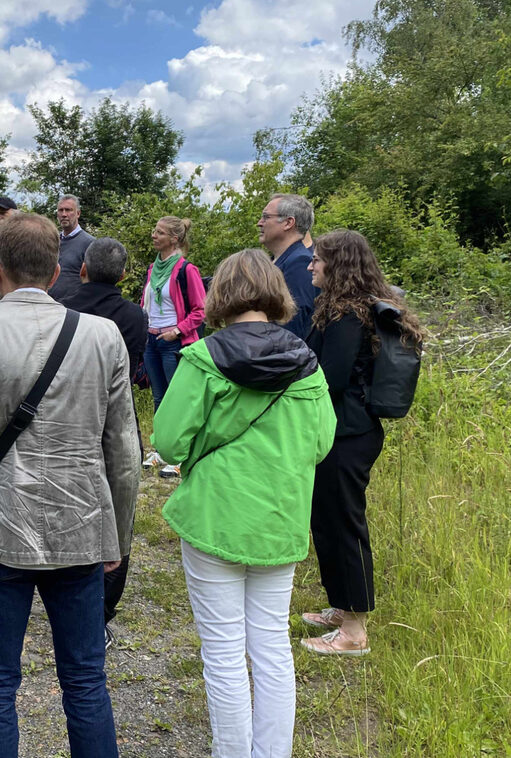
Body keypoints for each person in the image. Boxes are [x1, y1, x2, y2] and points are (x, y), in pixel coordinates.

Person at [0, 212, 140, 758]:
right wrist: (122, 539)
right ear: (59, 270)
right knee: (86, 681)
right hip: (82, 527)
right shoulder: (103, 335)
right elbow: (125, 454)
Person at [152, 248, 335, 758]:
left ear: (220, 296)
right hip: (280, 518)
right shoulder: (307, 363)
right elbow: (322, 443)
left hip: (214, 515)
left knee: (224, 652)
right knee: (272, 646)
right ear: (277, 292)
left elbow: (167, 442)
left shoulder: (202, 359)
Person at [300, 230, 426, 656]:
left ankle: (354, 633)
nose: (311, 265)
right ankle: (342, 606)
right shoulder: (340, 310)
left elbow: (328, 378)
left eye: (317, 259)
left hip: (348, 433)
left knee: (344, 525)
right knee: (327, 520)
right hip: (342, 431)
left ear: (338, 265)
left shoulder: (348, 316)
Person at [60, 236, 148, 647]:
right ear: (125, 276)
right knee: (117, 507)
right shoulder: (135, 317)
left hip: (68, 417)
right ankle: (101, 613)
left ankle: (63, 588)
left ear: (82, 269)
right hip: (117, 415)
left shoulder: (63, 309)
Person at [141, 216, 206, 477]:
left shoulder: (185, 270)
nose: (154, 235)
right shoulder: (152, 269)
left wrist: (177, 330)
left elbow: (201, 310)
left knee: (177, 399)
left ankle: (180, 454)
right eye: (154, 231)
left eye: (160, 232)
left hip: (174, 343)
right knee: (159, 397)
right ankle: (161, 448)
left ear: (174, 239)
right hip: (151, 340)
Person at [257, 193, 317, 338]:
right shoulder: (278, 261)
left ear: (288, 223)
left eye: (266, 217)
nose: (259, 222)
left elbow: (291, 326)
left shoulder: (300, 263)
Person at [47, 194, 95, 303]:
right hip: (49, 306)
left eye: (68, 210)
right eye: (60, 210)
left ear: (78, 213)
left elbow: (91, 282)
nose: (64, 214)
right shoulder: (51, 241)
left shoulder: (89, 243)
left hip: (74, 308)